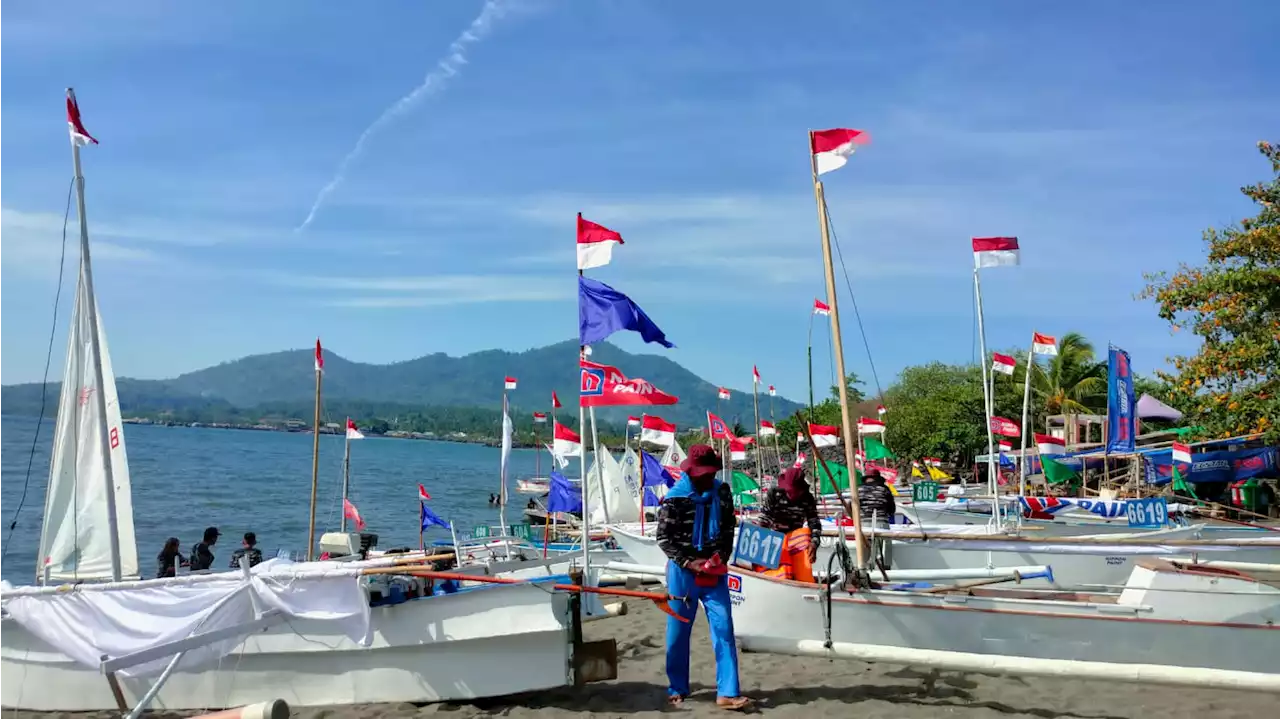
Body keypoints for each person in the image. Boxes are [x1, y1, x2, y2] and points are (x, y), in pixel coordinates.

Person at [655, 444, 751, 710]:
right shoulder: (676, 498)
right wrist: (690, 562)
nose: (706, 478)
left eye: (710, 473)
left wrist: (721, 556)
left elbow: (729, 526)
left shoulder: (722, 492)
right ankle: (677, 687)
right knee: (678, 631)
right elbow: (664, 539)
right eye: (702, 474)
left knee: (724, 628)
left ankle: (728, 693)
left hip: (714, 570)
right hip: (683, 571)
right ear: (691, 473)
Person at [756, 467, 821, 582]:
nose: (790, 494)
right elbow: (765, 518)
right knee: (782, 570)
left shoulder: (807, 498)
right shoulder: (774, 493)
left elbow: (814, 522)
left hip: (796, 538)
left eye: (794, 491)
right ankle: (779, 578)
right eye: (788, 491)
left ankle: (803, 580)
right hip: (776, 537)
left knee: (806, 533)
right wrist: (758, 539)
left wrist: (814, 543)